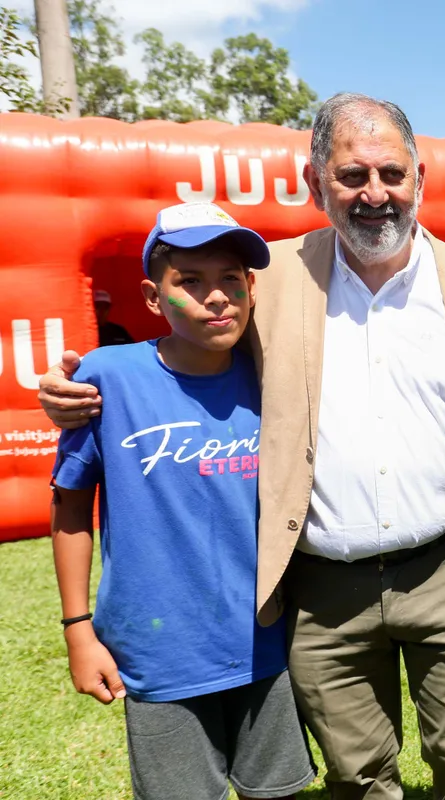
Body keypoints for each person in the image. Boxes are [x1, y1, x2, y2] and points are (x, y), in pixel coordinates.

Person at [39, 93, 445, 800]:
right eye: (352, 175)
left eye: (390, 173)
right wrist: (74, 387)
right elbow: (181, 344)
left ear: (421, 178)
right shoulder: (271, 277)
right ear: (315, 182)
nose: (374, 193)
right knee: (358, 778)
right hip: (320, 585)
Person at [50, 203, 315, 800]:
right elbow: (69, 505)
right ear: (151, 296)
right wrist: (77, 630)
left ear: (251, 289)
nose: (214, 297)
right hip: (159, 653)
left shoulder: (271, 373)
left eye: (229, 280)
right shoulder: (107, 378)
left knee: (278, 791)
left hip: (265, 644)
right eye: (189, 282)